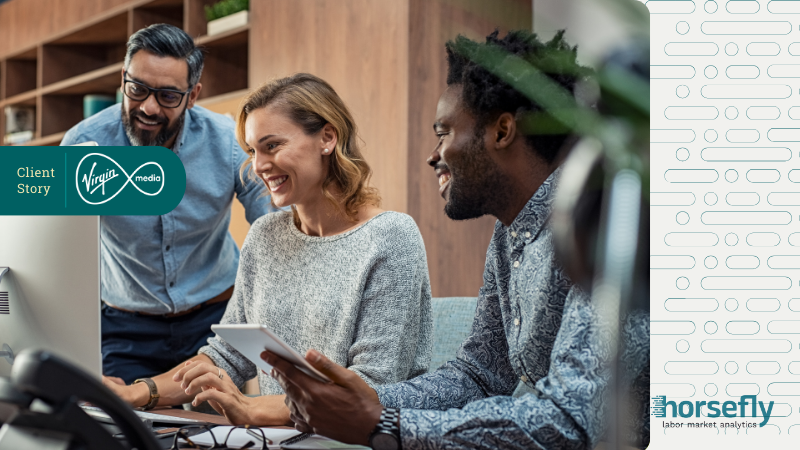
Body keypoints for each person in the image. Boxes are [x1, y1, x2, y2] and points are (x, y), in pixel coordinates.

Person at [264, 30, 650, 449]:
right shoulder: (509, 235)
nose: (434, 155)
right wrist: (369, 400)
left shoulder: (606, 219)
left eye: (443, 132)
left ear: (501, 131)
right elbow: (480, 375)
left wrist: (386, 425)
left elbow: (570, 421)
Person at [104, 73, 433, 426]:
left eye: (272, 146)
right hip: (277, 436)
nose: (258, 166)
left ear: (327, 137)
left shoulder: (391, 237)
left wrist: (251, 408)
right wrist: (138, 393)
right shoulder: (264, 235)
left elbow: (370, 389)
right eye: (252, 151)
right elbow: (225, 356)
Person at [60, 24, 277, 383]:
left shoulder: (226, 142)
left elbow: (273, 225)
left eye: (167, 96)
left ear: (193, 96)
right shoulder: (85, 146)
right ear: (122, 79)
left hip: (214, 323)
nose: (148, 107)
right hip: (124, 330)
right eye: (138, 89)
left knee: (211, 433)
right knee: (123, 431)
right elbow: (59, 249)